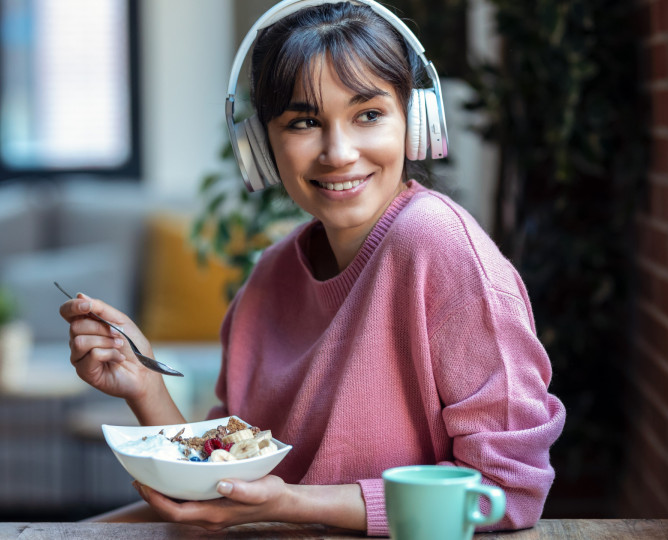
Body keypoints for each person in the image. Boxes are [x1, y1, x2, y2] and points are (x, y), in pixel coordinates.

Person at [58, 0, 565, 535]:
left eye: (368, 114)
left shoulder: (438, 248)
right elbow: (222, 485)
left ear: (415, 123)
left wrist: (291, 504)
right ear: (261, 148)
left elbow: (508, 491)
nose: (339, 152)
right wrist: (144, 384)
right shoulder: (269, 278)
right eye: (304, 122)